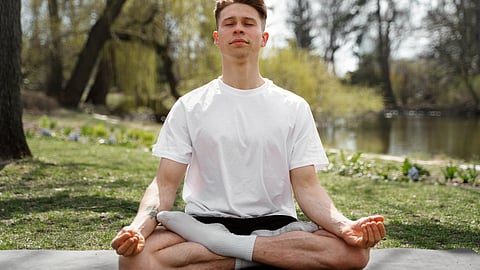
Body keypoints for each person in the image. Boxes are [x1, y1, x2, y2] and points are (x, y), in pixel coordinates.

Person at [110, 0, 387, 269]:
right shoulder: (189, 106)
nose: (239, 29)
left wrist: (345, 226)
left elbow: (307, 186)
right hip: (204, 222)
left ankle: (222, 246)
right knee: (135, 261)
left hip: (277, 225)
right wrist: (137, 228)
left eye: (248, 23)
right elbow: (164, 184)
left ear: (263, 37)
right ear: (217, 38)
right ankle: (263, 255)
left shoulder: (294, 106)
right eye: (230, 23)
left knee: (353, 254)